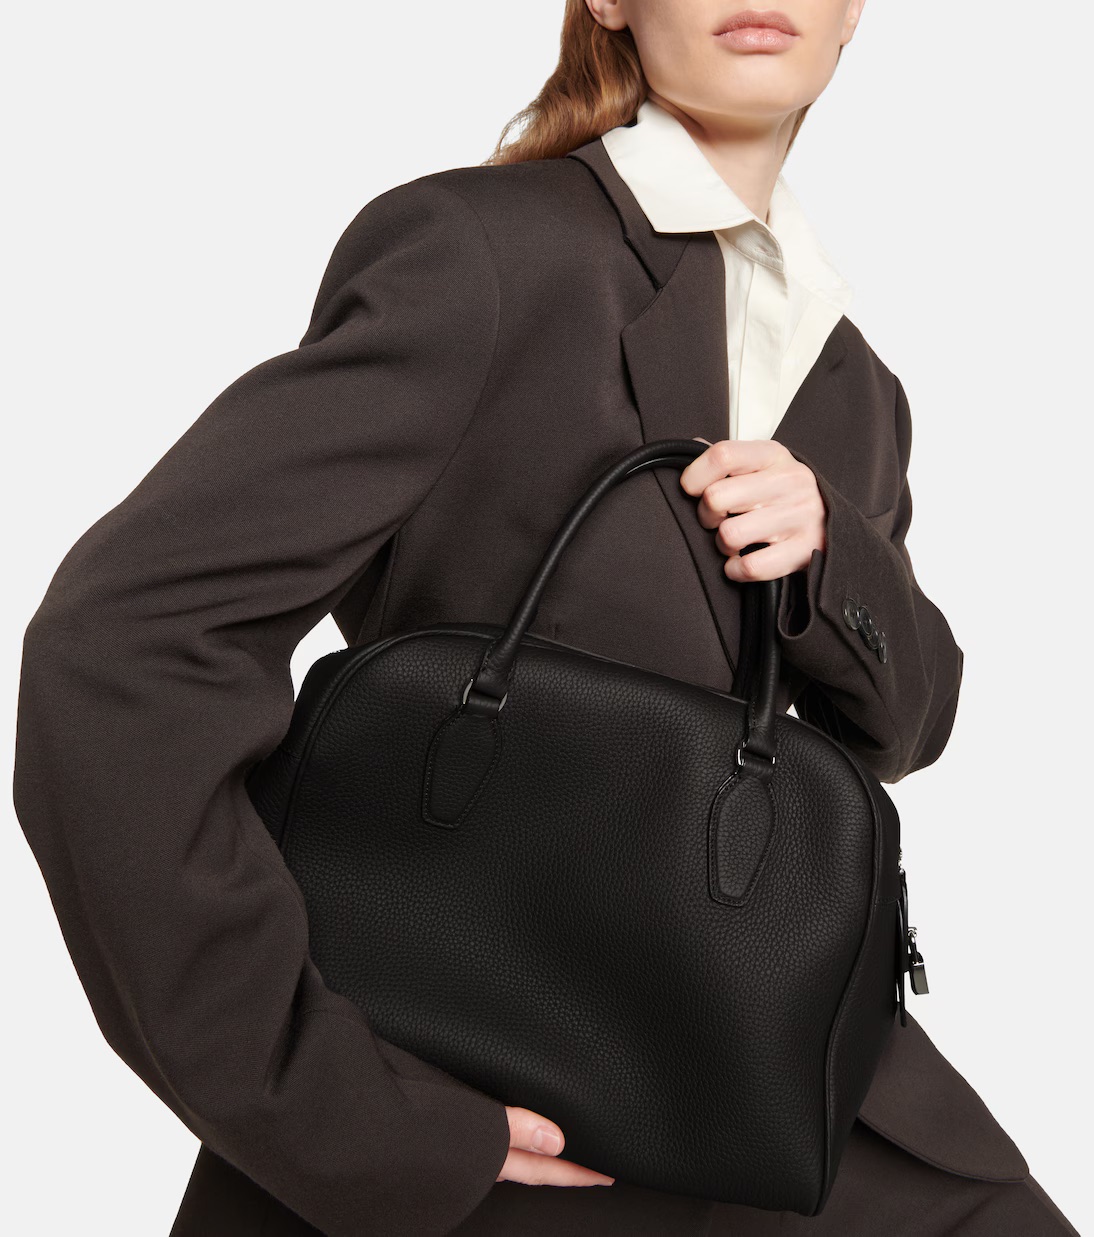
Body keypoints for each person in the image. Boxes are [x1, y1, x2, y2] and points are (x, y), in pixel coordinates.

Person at [11, 1, 1081, 1234]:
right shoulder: (482, 254)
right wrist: (330, 1100)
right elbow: (121, 650)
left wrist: (830, 550)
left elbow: (904, 725)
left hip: (774, 1084)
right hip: (496, 1084)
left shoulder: (852, 379)